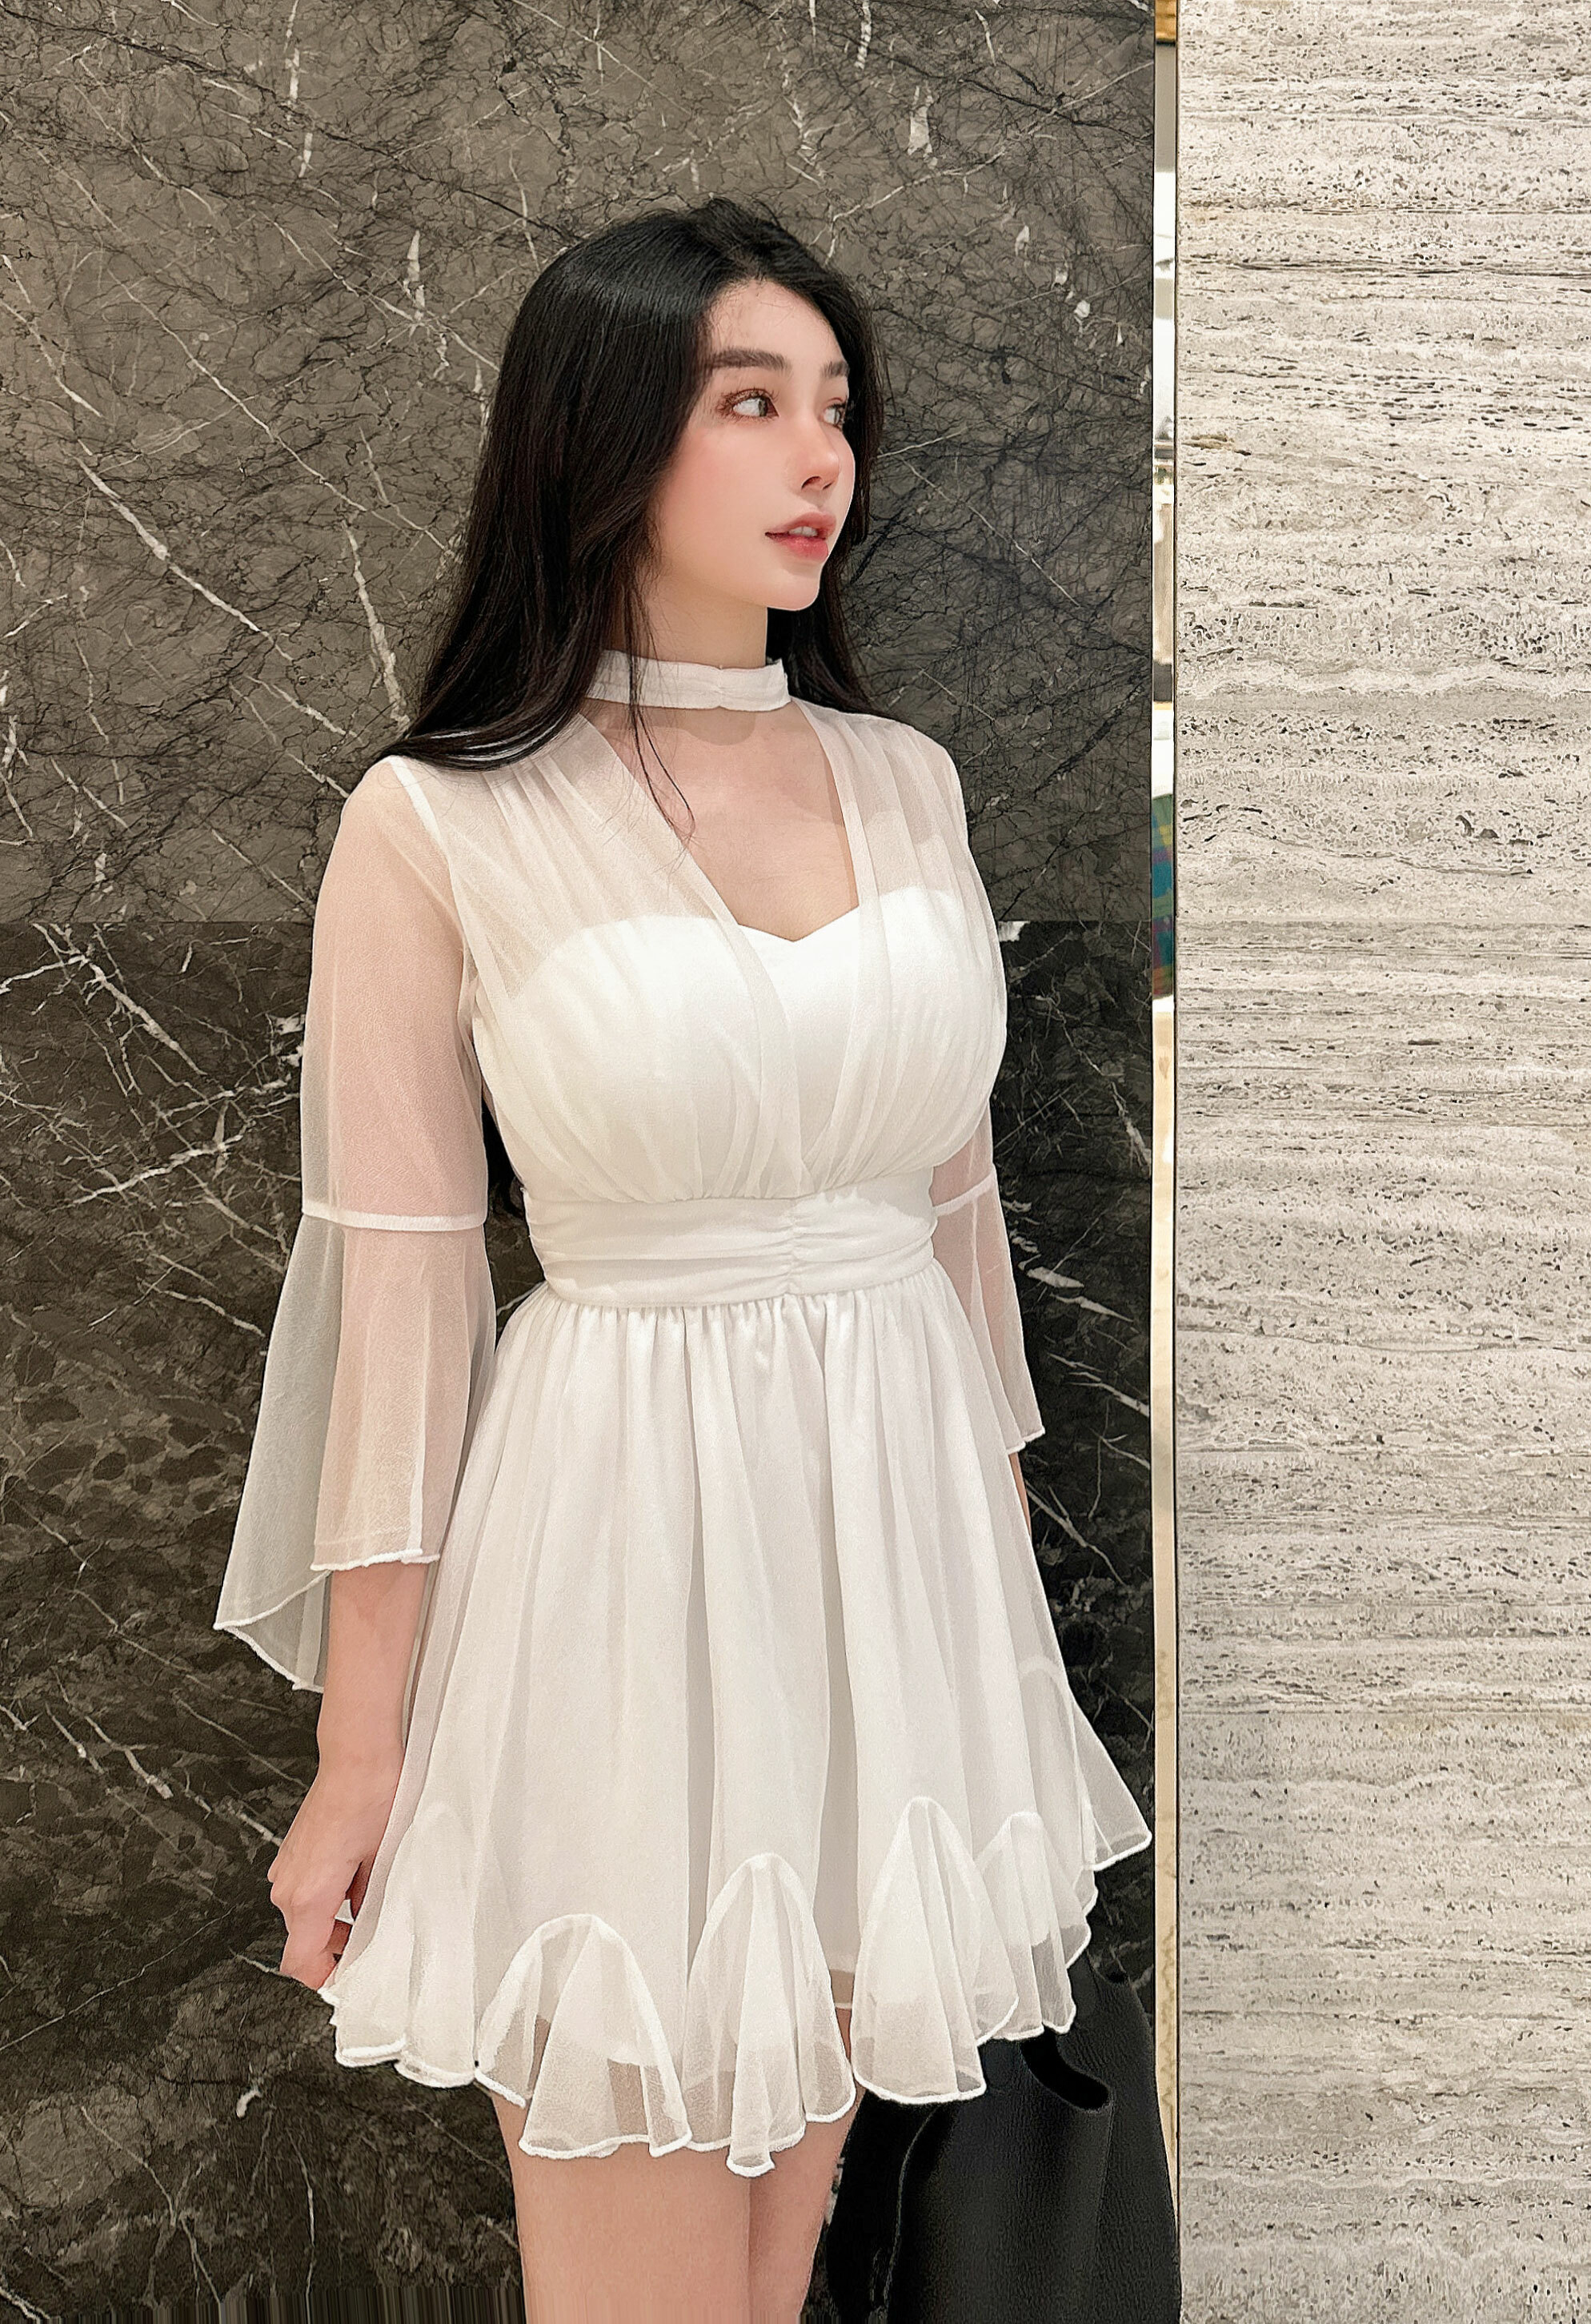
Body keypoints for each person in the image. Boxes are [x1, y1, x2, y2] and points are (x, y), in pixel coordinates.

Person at [214, 196, 1152, 2322]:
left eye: (836, 405)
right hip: (622, 1566)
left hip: (891, 1590)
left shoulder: (905, 783)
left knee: (773, 2275)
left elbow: (956, 1239)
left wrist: (991, 1648)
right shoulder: (443, 820)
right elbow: (402, 1298)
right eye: (751, 403)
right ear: (606, 434)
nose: (822, 457)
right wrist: (365, 1753)